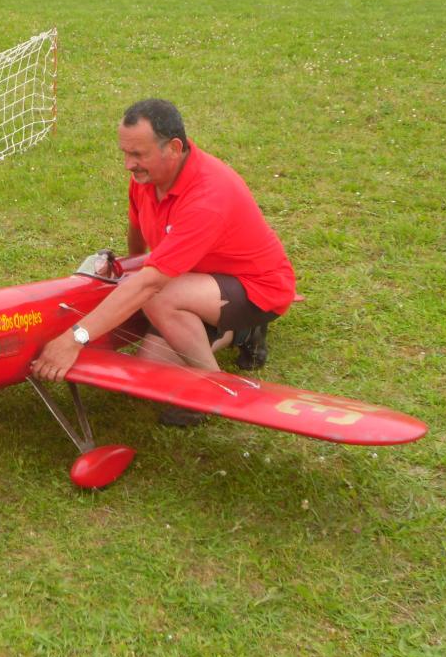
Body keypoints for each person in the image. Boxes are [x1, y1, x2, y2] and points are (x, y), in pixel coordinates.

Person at [30, 99, 296, 425]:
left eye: (138, 154)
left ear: (173, 148)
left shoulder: (208, 196)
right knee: (151, 367)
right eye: (125, 153)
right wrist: (130, 265)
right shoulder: (146, 179)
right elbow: (137, 230)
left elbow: (152, 283)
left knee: (158, 295)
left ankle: (212, 390)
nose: (128, 164)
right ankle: (242, 333)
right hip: (198, 280)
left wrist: (75, 338)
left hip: (256, 287)